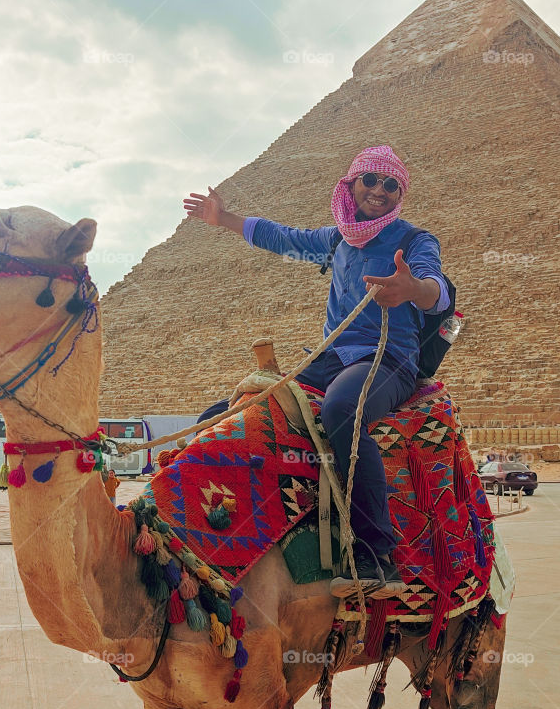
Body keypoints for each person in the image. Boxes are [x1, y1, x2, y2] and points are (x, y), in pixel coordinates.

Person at [183, 145, 452, 598]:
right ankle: (215, 532)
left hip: (388, 359)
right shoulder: (338, 240)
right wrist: (222, 219)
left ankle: (376, 554)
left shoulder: (415, 240)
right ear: (351, 184)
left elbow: (437, 292)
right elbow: (282, 237)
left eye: (391, 185)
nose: (379, 191)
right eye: (370, 180)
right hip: (328, 357)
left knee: (343, 410)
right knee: (229, 412)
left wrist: (412, 289)